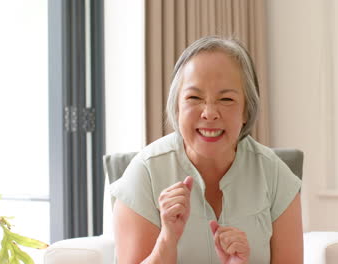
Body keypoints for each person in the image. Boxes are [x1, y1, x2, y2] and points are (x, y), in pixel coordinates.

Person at [111, 36, 303, 264]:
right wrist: (167, 239)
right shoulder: (145, 173)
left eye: (226, 99)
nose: (209, 113)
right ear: (177, 106)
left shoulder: (276, 175)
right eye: (194, 97)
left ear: (245, 110)